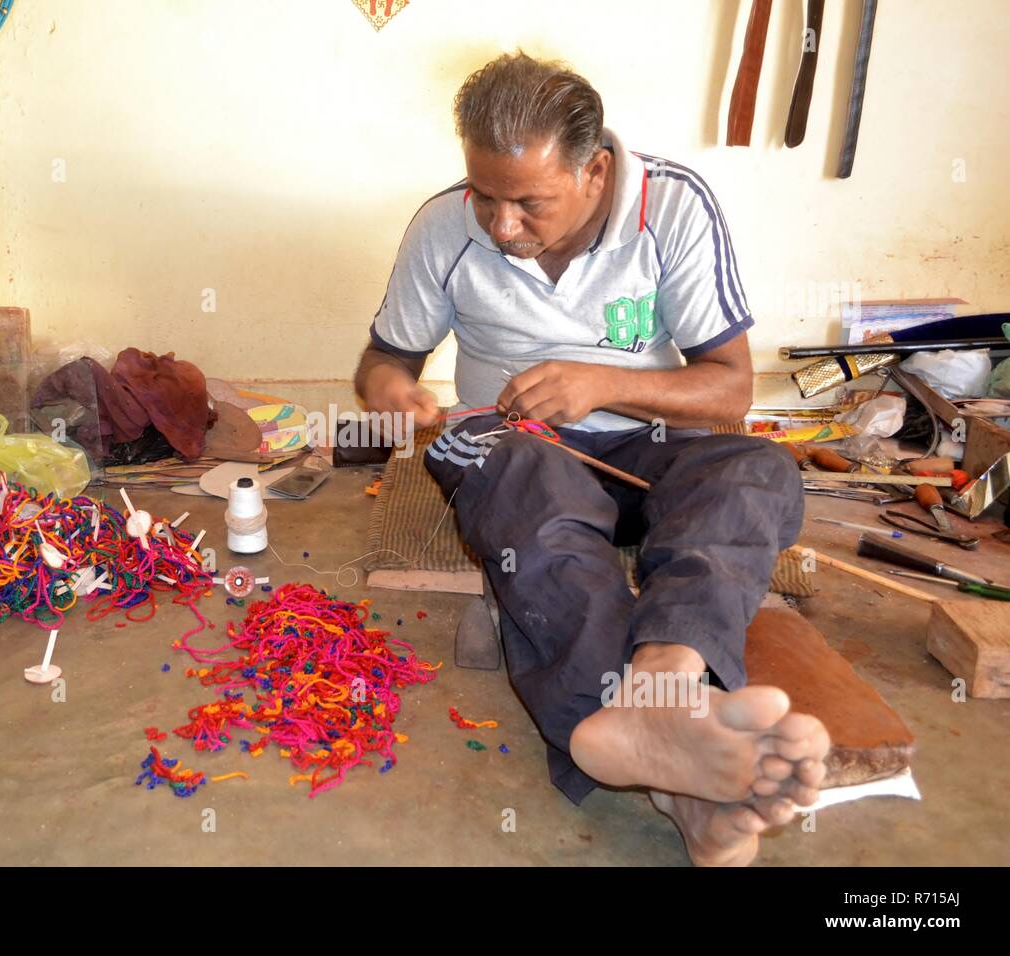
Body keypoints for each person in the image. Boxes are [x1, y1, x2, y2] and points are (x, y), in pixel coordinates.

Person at [352, 52, 829, 866]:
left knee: (754, 472)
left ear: (595, 170)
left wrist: (603, 382)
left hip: (649, 443)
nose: (501, 225)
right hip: (517, 445)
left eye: (529, 203)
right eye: (485, 196)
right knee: (534, 502)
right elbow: (380, 362)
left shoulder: (671, 205)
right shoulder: (443, 225)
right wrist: (394, 391)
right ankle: (677, 778)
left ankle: (666, 679)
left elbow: (729, 391)